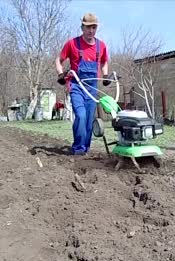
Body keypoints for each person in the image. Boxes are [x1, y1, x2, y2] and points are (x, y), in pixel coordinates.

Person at [55, 12, 112, 155]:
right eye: (88, 28)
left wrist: (105, 75)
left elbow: (104, 62)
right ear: (82, 28)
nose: (91, 31)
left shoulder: (101, 46)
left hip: (92, 88)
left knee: (88, 121)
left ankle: (85, 149)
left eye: (93, 28)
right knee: (80, 115)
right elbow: (58, 60)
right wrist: (61, 73)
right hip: (76, 86)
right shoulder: (72, 44)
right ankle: (78, 148)